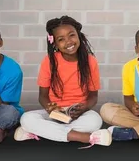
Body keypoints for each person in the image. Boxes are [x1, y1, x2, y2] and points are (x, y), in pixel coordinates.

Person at [15, 15, 111, 148]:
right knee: (26, 118)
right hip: (55, 113)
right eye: (61, 39)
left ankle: (43, 132)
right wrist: (50, 109)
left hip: (78, 114)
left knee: (95, 120)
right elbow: (42, 96)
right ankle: (83, 137)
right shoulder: (49, 61)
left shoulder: (90, 61)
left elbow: (93, 96)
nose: (68, 42)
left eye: (71, 35)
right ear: (54, 43)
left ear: (79, 35)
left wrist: (85, 107)